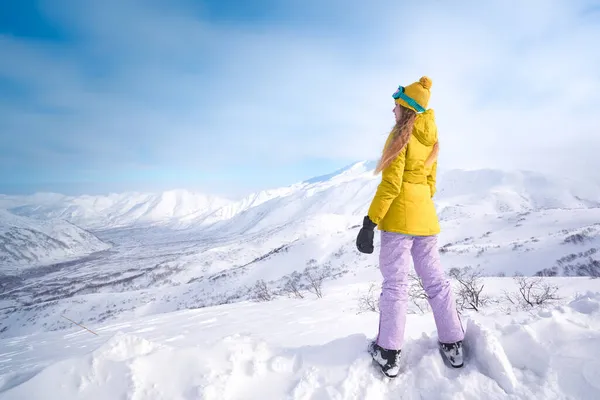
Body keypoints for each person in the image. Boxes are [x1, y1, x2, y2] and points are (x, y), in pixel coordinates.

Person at [356, 76, 464, 378]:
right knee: (436, 281)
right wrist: (418, 203)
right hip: (426, 219)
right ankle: (453, 343)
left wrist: (369, 222)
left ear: (407, 109)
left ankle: (388, 352)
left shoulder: (400, 137)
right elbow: (430, 185)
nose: (393, 111)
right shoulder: (431, 139)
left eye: (396, 106)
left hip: (399, 220)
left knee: (395, 284)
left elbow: (391, 184)